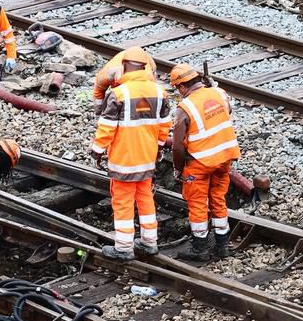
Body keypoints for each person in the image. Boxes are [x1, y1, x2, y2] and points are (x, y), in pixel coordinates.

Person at [91, 55, 171, 261]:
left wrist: (97, 151)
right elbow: (164, 126)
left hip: (124, 160)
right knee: (145, 198)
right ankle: (149, 242)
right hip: (147, 158)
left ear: (125, 68)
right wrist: (159, 148)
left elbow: (107, 128)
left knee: (123, 202)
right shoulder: (159, 92)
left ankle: (124, 247)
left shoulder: (118, 94)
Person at [168, 63, 240, 260]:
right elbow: (227, 111)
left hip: (199, 163)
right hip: (224, 158)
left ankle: (200, 248)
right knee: (218, 198)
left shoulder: (185, 107)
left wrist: (178, 167)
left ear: (182, 87)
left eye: (177, 88)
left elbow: (177, 146)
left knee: (198, 202)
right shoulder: (220, 93)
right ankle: (222, 245)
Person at [91, 47, 156, 114]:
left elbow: (153, 99)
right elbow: (98, 91)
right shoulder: (105, 76)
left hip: (145, 66)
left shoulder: (148, 78)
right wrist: (98, 111)